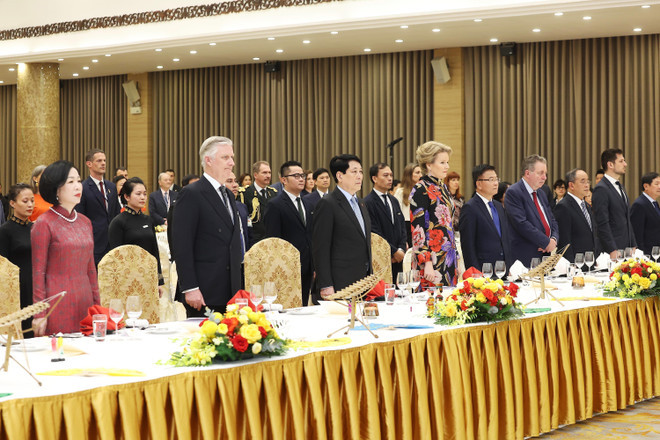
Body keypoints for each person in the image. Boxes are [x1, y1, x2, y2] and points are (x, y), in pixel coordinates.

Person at [172, 136, 242, 316]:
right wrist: (190, 287)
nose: (232, 163)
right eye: (225, 157)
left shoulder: (228, 195)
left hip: (231, 290)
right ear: (208, 160)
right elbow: (182, 245)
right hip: (204, 291)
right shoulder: (191, 194)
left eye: (232, 157)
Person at [31, 161, 100, 336]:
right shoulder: (44, 223)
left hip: (85, 300)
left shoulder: (85, 222)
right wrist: (40, 313)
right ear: (56, 189)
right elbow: (38, 272)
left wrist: (97, 306)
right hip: (57, 303)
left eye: (79, 180)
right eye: (70, 182)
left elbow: (91, 269)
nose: (78, 186)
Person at [313, 154, 372, 297]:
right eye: (354, 172)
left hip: (362, 281)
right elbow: (320, 248)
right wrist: (326, 284)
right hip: (340, 282)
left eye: (361, 171)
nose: (359, 176)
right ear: (340, 176)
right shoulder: (328, 203)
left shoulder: (361, 203)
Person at [264, 161, 315, 305]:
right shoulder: (275, 205)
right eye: (296, 176)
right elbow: (273, 240)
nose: (301, 179)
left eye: (303, 175)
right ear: (283, 180)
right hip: (287, 267)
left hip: (307, 266)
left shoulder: (307, 204)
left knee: (304, 306)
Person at [108, 177, 166, 297]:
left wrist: (159, 281)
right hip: (127, 279)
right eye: (138, 194)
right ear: (127, 197)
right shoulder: (118, 222)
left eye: (144, 194)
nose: (142, 197)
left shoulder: (148, 220)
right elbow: (115, 257)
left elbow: (154, 252)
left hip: (148, 277)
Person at [410, 142, 458, 287]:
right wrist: (427, 262)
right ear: (429, 164)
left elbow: (448, 226)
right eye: (442, 162)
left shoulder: (442, 187)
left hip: (447, 256)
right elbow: (417, 229)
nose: (447, 166)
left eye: (447, 162)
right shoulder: (420, 189)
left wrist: (457, 257)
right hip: (430, 261)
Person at [504, 155, 559, 267]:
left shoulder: (542, 193)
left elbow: (552, 219)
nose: (544, 177)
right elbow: (521, 223)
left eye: (545, 173)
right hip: (525, 256)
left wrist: (553, 239)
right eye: (541, 173)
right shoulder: (514, 192)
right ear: (527, 173)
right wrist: (545, 242)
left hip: (545, 255)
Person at [459, 164, 512, 273]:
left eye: (497, 179)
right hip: (484, 271)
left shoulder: (499, 206)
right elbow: (468, 246)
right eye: (491, 179)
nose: (496, 183)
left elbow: (504, 239)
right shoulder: (470, 208)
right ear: (479, 184)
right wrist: (475, 273)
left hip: (503, 269)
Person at [0, 183, 35, 337]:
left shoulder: (36, 227)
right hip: (17, 289)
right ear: (12, 203)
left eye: (32, 201)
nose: (30, 205)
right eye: (25, 201)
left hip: (37, 285)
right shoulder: (5, 230)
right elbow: (3, 266)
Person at [75, 149, 121, 265]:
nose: (103, 163)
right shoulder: (83, 188)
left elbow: (116, 214)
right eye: (99, 161)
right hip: (94, 243)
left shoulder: (111, 186)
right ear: (89, 164)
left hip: (112, 242)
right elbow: (80, 218)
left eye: (104, 160)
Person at [364, 162, 407, 276]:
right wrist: (393, 251)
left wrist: (401, 250)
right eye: (385, 175)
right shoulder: (368, 202)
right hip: (381, 259)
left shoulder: (393, 200)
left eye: (391, 175)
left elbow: (402, 226)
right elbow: (374, 231)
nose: (390, 179)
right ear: (374, 178)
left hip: (399, 258)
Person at [592, 148, 636, 258]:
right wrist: (612, 249)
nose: (625, 164)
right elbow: (602, 223)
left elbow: (627, 219)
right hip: (612, 250)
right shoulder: (601, 189)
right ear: (610, 164)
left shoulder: (620, 186)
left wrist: (633, 244)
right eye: (621, 161)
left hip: (626, 248)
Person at [554, 169, 598, 262]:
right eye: (582, 181)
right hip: (576, 265)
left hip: (590, 262)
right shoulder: (563, 206)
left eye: (588, 181)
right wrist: (572, 267)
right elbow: (564, 242)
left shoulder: (586, 205)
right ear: (571, 185)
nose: (587, 185)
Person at [238, 161, 277, 245]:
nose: (268, 176)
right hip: (254, 243)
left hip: (271, 242)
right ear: (255, 175)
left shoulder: (273, 193)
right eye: (264, 173)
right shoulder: (245, 193)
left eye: (269, 172)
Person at [630, 172, 660, 255]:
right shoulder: (639, 204)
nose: (659, 187)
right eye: (656, 184)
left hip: (656, 253)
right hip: (648, 255)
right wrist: (643, 257)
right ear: (646, 186)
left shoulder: (655, 203)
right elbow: (637, 234)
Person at [394, 163, 423, 247]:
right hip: (406, 226)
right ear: (409, 175)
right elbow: (397, 214)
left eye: (421, 173)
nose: (420, 175)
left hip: (419, 225)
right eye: (417, 173)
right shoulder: (400, 192)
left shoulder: (422, 191)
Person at [225, 172, 250, 256]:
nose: (235, 185)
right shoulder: (216, 208)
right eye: (229, 181)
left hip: (245, 259)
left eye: (235, 181)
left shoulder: (242, 207)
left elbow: (248, 232)